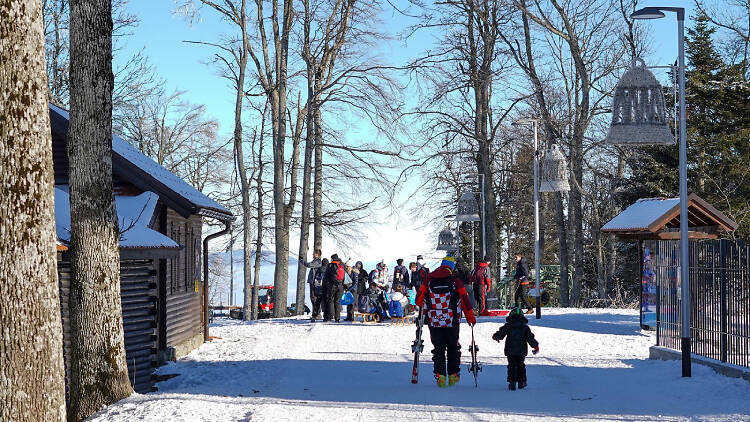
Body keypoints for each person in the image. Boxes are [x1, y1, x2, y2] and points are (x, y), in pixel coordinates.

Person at [415, 253, 476, 388]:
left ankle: (440, 376)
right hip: (452, 319)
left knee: (438, 347)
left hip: (434, 319)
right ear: (452, 268)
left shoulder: (429, 279)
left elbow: (418, 300)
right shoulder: (455, 280)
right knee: (453, 346)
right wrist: (470, 317)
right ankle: (453, 375)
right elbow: (465, 300)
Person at [492, 307, 539, 390]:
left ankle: (512, 381)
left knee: (511, 365)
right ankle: (522, 382)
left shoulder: (508, 325)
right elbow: (530, 338)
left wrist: (496, 337)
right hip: (521, 350)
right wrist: (535, 346)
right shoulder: (525, 327)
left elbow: (501, 333)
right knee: (521, 365)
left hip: (510, 350)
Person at [324, 254, 345, 322]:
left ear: (332, 259)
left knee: (331, 300)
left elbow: (326, 276)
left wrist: (325, 285)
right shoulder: (342, 265)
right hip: (341, 286)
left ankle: (331, 316)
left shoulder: (330, 265)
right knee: (337, 302)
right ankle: (337, 318)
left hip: (332, 286)